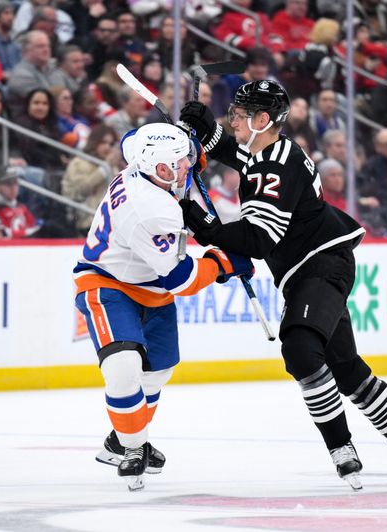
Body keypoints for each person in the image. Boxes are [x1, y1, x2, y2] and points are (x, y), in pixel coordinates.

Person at [178, 80, 387, 489]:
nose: (232, 119)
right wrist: (208, 130)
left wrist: (202, 224)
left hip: (320, 266)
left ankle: (341, 448)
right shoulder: (272, 152)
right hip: (314, 268)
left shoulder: (273, 166)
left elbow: (257, 240)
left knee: (301, 348)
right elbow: (238, 155)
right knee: (348, 372)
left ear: (262, 120)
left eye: (239, 114)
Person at [73, 122, 253, 490]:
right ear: (158, 169)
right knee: (123, 367)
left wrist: (188, 143)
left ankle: (118, 440)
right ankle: (135, 447)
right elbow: (181, 279)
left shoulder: (142, 161)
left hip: (150, 287)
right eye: (178, 163)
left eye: (184, 161)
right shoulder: (149, 210)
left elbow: (131, 139)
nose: (186, 166)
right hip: (108, 283)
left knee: (159, 371)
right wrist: (221, 263)